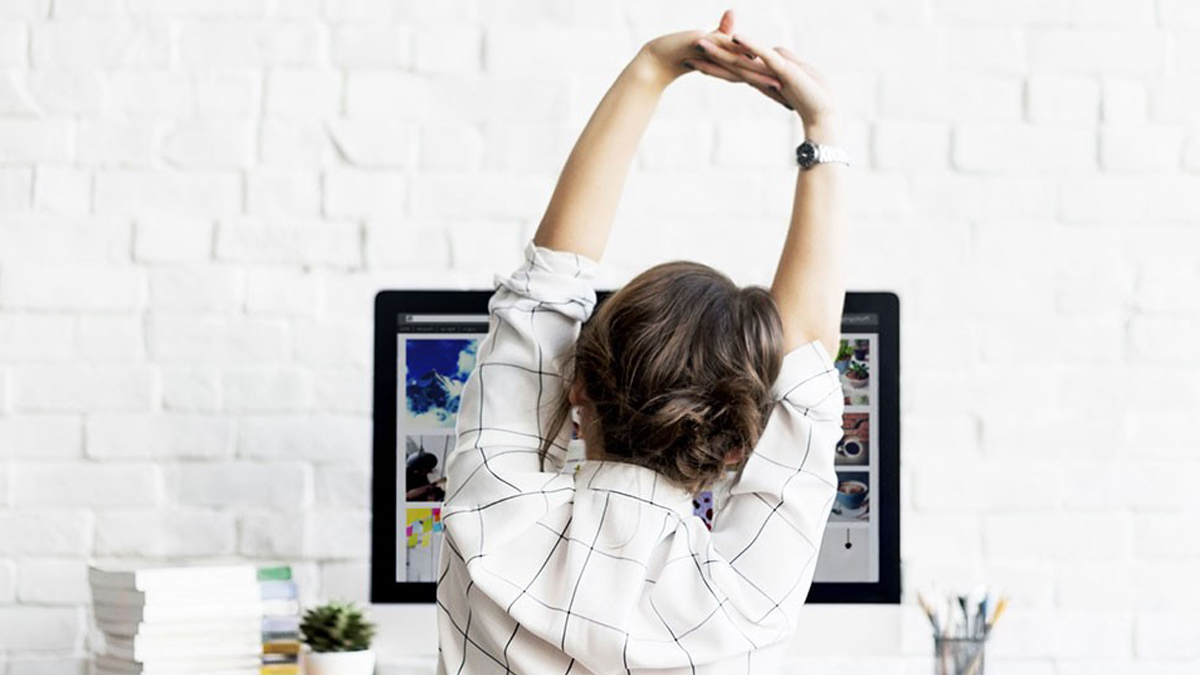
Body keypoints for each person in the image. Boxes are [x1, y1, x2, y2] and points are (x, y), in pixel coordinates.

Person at [436, 9, 847, 674]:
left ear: (577, 389)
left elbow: (544, 290)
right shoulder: (744, 604)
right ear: (739, 446)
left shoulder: (492, 512)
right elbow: (805, 372)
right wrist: (822, 131)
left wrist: (653, 67)